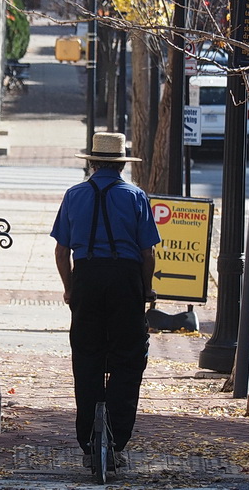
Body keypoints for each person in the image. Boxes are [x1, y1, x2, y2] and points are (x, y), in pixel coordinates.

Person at [50, 132, 161, 469]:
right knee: (129, 358)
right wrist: (144, 291)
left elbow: (61, 250)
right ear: (121, 164)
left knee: (86, 357)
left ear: (93, 162)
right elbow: (147, 253)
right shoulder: (136, 196)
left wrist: (70, 288)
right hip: (124, 278)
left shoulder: (74, 195)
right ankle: (116, 438)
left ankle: (88, 442)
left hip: (87, 276)